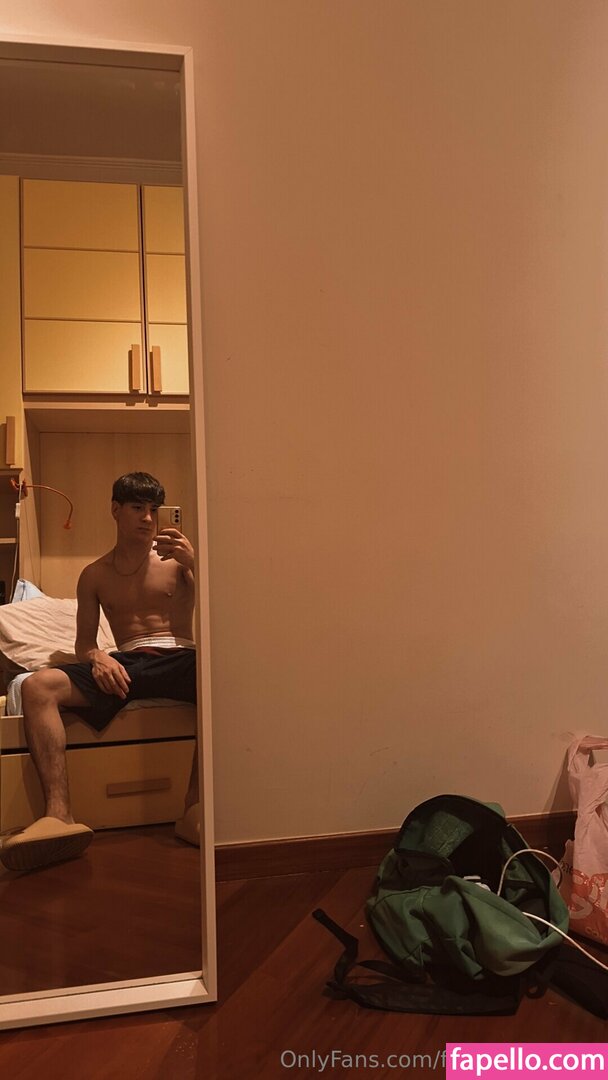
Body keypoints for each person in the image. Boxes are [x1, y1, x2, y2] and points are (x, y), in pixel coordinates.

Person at [0, 472, 200, 872]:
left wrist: (198, 564)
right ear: (115, 510)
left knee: (221, 678)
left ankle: (196, 810)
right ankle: (59, 816)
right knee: (39, 686)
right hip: (126, 663)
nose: (148, 518)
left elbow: (226, 607)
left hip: (180, 657)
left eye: (154, 509)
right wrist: (97, 657)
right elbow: (84, 643)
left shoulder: (180, 564)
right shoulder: (95, 574)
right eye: (137, 508)